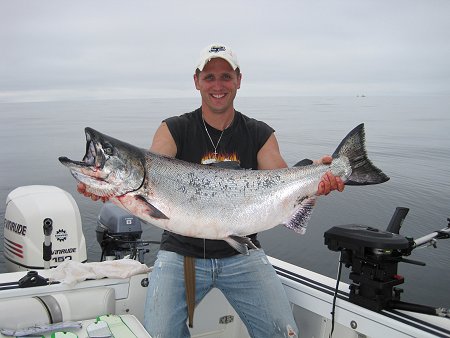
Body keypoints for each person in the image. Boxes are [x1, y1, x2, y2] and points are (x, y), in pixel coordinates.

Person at [78, 43, 344, 337]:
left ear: (239, 80)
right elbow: (147, 175)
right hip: (180, 253)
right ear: (196, 81)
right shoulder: (174, 129)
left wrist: (317, 177)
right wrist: (107, 189)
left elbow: (284, 179)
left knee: (284, 333)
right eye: (209, 77)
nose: (218, 85)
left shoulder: (259, 133)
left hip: (243, 252)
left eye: (226, 76)